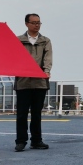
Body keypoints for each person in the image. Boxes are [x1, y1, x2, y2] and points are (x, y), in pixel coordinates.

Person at [14, 14, 53, 152]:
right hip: (23, 81)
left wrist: (46, 71)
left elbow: (48, 58)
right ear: (26, 24)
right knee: (22, 114)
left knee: (36, 114)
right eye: (34, 22)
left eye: (39, 23)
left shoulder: (45, 41)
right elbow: (13, 57)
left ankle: (36, 140)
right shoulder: (18, 40)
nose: (37, 25)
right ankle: (21, 141)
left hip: (40, 82)